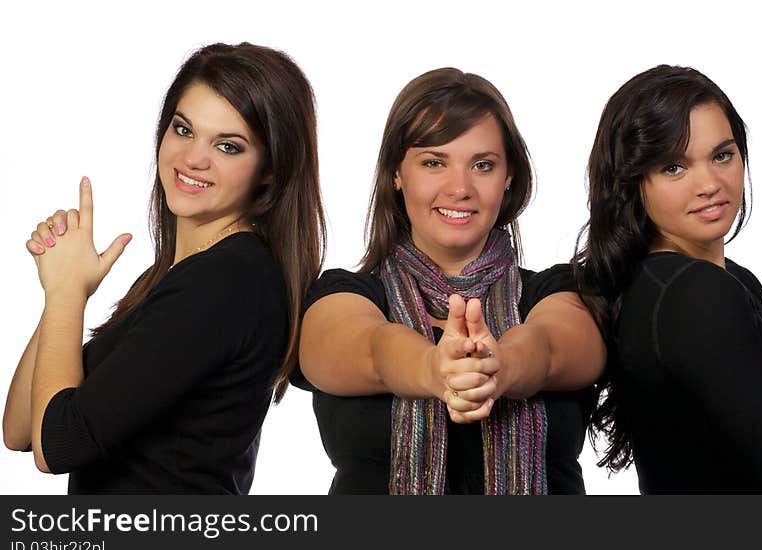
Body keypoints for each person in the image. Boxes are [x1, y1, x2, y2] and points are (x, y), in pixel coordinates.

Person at [2, 42, 326, 494]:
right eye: (183, 129)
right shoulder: (180, 275)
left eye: (228, 146)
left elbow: (57, 446)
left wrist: (66, 294)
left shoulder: (226, 282)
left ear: (270, 169)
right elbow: (20, 428)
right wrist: (65, 294)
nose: (193, 159)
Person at [293, 68, 605, 495]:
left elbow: (552, 349)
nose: (460, 187)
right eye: (434, 162)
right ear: (396, 174)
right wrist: (434, 369)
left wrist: (499, 367)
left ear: (508, 177)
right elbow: (371, 348)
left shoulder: (558, 292)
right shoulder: (342, 296)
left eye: (482, 165)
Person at [576, 64, 762, 493]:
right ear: (632, 181)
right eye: (674, 167)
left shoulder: (726, 281)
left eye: (722, 155)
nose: (710, 184)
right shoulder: (693, 293)